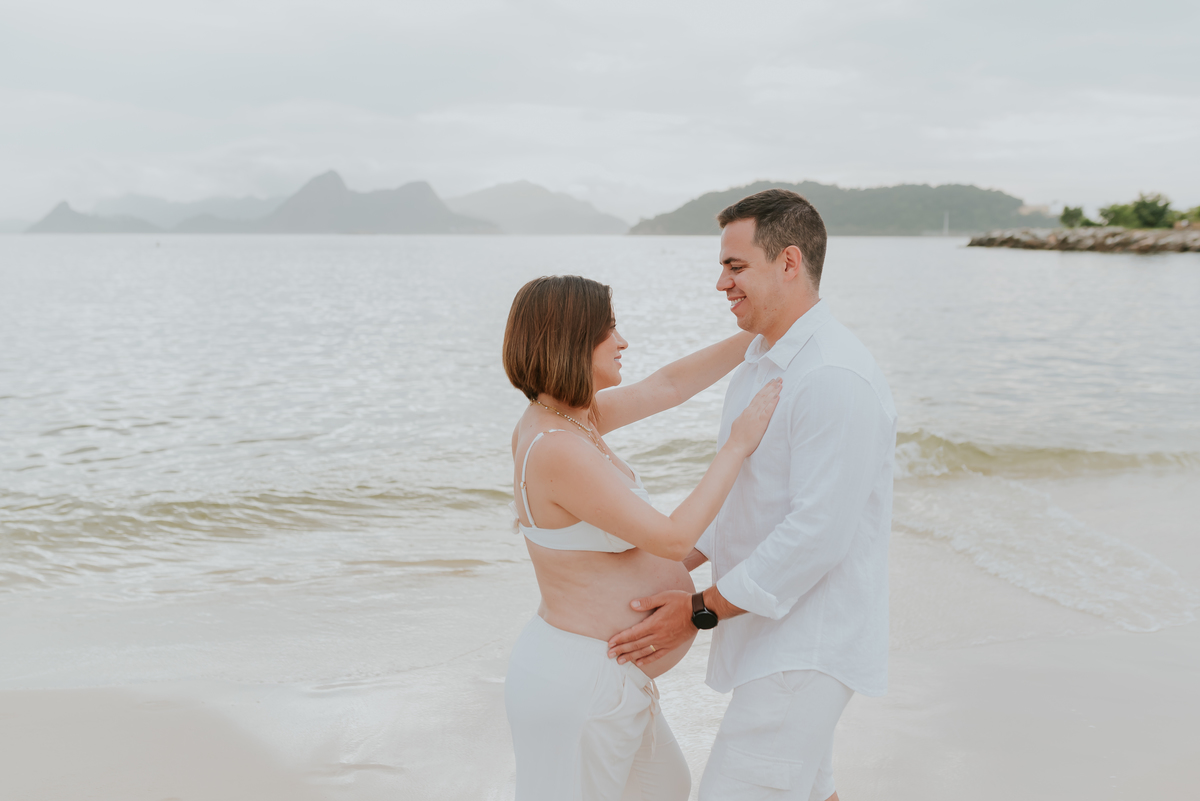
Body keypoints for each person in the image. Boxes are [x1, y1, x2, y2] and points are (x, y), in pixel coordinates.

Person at [607, 189, 897, 801]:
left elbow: (817, 535)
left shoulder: (832, 376)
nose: (721, 283)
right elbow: (747, 502)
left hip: (808, 642)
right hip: (774, 634)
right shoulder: (762, 361)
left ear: (788, 262)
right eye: (723, 266)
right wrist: (657, 570)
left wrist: (699, 610)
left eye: (735, 266)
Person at [502, 274, 782, 801]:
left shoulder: (573, 420)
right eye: (609, 330)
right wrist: (737, 446)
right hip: (581, 684)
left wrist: (763, 332)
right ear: (571, 340)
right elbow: (673, 540)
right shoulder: (556, 447)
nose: (623, 341)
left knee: (668, 789)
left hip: (606, 678)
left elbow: (667, 386)